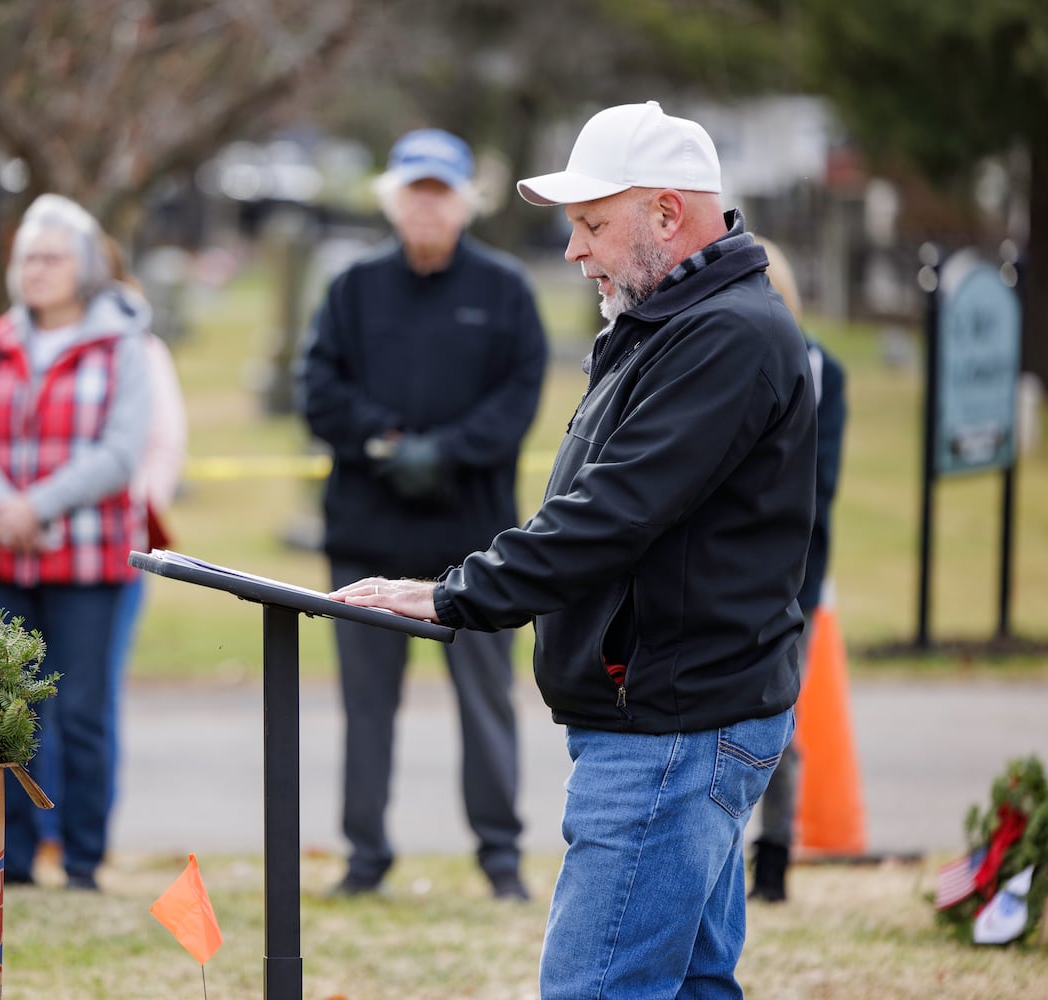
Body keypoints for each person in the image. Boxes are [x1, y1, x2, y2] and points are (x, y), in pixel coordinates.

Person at [330, 102, 816, 998]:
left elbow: (611, 513)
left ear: (667, 215)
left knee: (597, 986)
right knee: (690, 984)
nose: (574, 250)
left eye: (592, 224)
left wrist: (452, 594)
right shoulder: (674, 322)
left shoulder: (725, 336)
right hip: (680, 711)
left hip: (673, 724)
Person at [298, 128, 548, 901]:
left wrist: (444, 452)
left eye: (441, 192)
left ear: (464, 201)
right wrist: (385, 443)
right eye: (414, 191)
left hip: (471, 544)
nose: (427, 206)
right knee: (366, 707)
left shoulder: (504, 290)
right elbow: (318, 388)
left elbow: (520, 395)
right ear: (393, 200)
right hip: (366, 535)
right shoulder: (352, 288)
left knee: (485, 703)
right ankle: (364, 856)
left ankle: (500, 859)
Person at [0, 194, 150, 892]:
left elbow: (121, 450)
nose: (36, 270)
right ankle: (18, 862)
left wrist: (37, 504)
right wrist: (2, 503)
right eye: (27, 258)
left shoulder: (120, 341)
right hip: (2, 557)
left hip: (87, 563)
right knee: (9, 714)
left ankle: (86, 860)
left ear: (84, 266)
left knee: (83, 712)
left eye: (51, 257)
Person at [32, 235, 188, 860]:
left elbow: (162, 445)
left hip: (110, 549)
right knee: (35, 694)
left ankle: (82, 833)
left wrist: (128, 510)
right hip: (37, 547)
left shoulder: (140, 350)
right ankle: (38, 829)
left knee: (90, 698)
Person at [748, 238, 848, 903]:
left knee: (778, 719)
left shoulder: (819, 370)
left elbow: (820, 481)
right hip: (725, 576)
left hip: (792, 576)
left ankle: (775, 851)